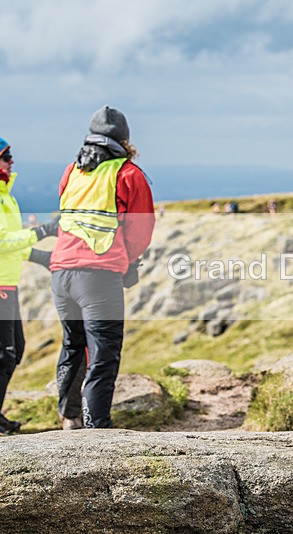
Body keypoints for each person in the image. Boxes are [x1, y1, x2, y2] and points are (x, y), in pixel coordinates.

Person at [49, 106, 155, 429]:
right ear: (124, 140)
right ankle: (97, 430)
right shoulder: (128, 174)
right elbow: (140, 231)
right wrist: (127, 261)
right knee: (104, 352)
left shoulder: (72, 171)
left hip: (60, 273)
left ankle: (69, 418)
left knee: (72, 344)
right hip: (98, 277)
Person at [0, 137, 60, 434]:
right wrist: (42, 231)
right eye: (6, 156)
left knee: (15, 351)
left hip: (8, 283)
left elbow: (9, 245)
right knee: (5, 354)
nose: (12, 161)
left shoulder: (6, 196)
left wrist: (40, 257)